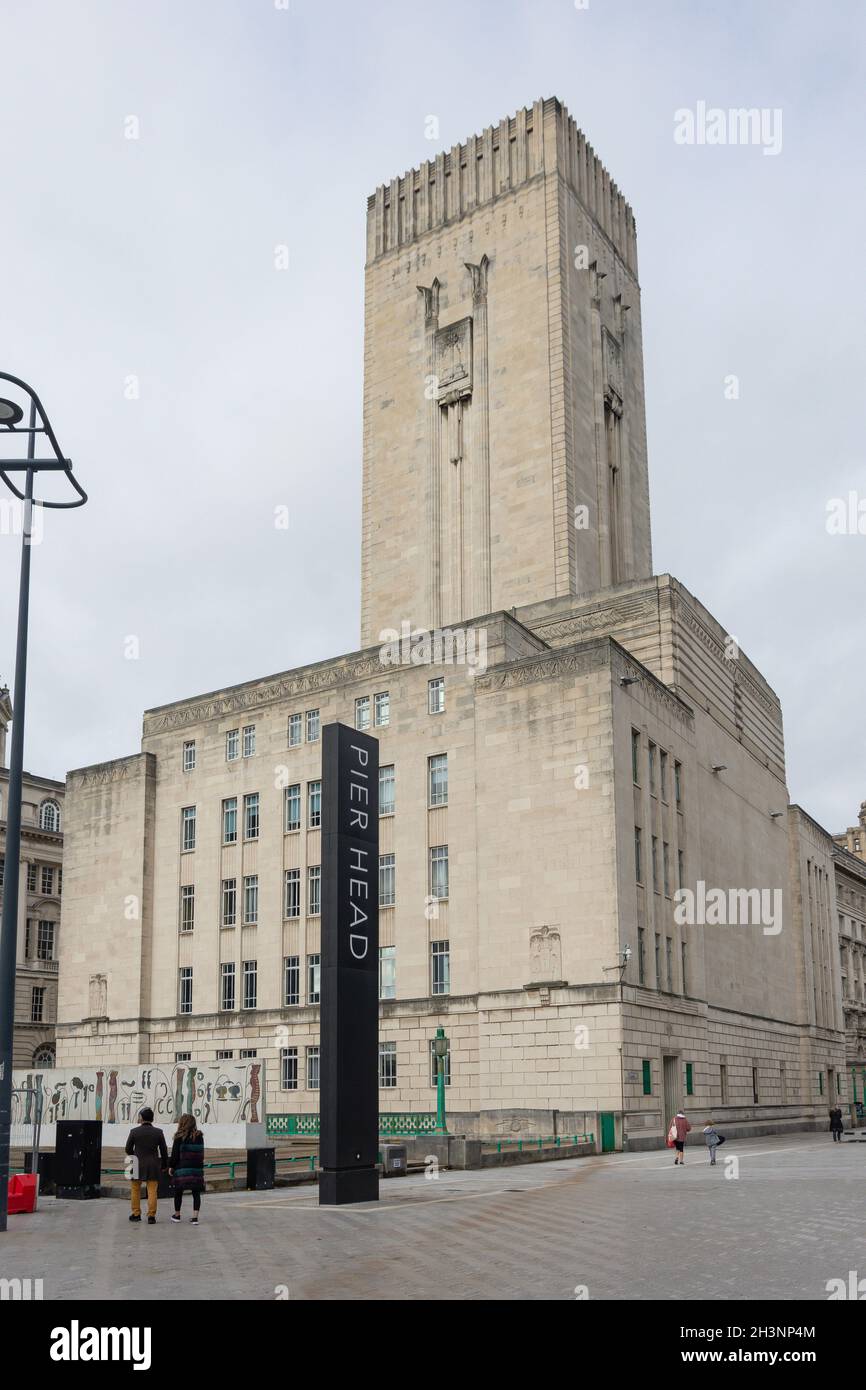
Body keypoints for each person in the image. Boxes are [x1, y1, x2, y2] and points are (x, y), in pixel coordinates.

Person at [125, 1106, 169, 1224]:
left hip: (136, 1163)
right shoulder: (158, 1132)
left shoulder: (134, 1132)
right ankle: (151, 1215)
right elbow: (164, 1151)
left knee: (135, 1189)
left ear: (141, 1118)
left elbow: (128, 1148)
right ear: (152, 1118)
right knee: (152, 1190)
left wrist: (134, 1155)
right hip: (153, 1164)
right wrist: (165, 1165)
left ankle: (136, 1213)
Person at [169, 1113, 205, 1224]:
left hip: (182, 1168)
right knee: (196, 1192)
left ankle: (177, 1215)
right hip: (196, 1168)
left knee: (178, 1191)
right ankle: (195, 1217)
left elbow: (175, 1155)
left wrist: (171, 1166)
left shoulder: (179, 1137)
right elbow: (201, 1153)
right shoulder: (199, 1136)